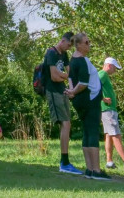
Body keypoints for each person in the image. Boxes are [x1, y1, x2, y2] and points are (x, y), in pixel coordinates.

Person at [65, 32, 111, 180]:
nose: (88, 44)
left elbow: (71, 78)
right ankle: (96, 170)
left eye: (88, 41)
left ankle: (89, 169)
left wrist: (72, 92)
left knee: (87, 132)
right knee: (92, 132)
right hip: (89, 101)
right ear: (78, 45)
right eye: (86, 42)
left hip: (82, 100)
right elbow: (83, 83)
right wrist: (73, 91)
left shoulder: (73, 60)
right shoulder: (81, 61)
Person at [44, 31, 80, 174]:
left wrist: (64, 77)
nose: (69, 48)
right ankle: (64, 163)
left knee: (67, 124)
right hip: (53, 91)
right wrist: (64, 76)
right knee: (65, 123)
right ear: (63, 40)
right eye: (69, 44)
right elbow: (54, 77)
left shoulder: (63, 55)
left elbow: (69, 73)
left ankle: (65, 161)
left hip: (63, 90)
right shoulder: (51, 53)